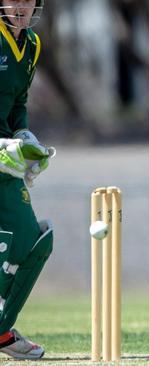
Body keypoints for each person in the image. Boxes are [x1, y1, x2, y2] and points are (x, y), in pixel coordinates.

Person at [0, 0, 54, 359]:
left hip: (4, 158)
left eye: (26, 0)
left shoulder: (31, 45)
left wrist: (24, 138)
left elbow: (18, 102)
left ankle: (2, 332)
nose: (19, 7)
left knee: (36, 242)